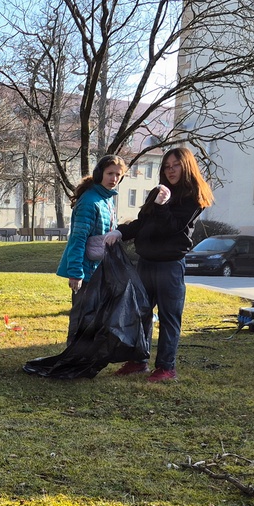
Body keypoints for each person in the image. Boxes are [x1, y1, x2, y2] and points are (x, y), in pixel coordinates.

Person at [104, 147, 214, 382]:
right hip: (146, 262)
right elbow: (143, 222)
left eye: (176, 165)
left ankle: (165, 368)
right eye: (167, 166)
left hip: (169, 266)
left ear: (186, 166)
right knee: (139, 313)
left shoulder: (194, 196)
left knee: (168, 318)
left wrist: (163, 205)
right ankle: (137, 361)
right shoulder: (159, 191)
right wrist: (120, 232)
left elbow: (172, 227)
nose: (171, 170)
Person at [56, 155, 127, 340]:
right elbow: (78, 239)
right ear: (99, 174)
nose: (114, 178)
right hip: (85, 271)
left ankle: (85, 358)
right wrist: (75, 273)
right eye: (109, 173)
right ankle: (72, 359)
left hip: (99, 269)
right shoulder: (90, 201)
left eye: (118, 175)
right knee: (81, 318)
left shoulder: (107, 199)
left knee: (95, 318)